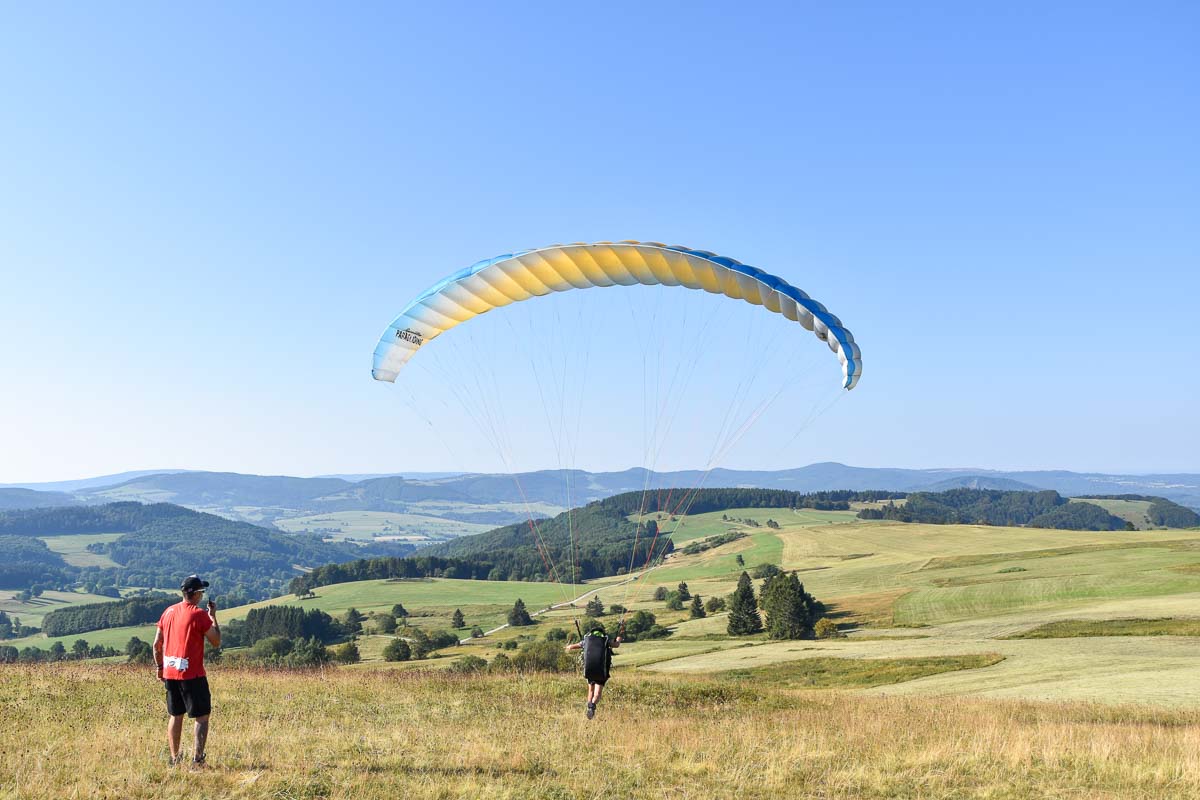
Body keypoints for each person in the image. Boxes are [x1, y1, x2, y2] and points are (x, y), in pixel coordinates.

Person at [153, 575, 221, 766]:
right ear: (196, 594)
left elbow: (157, 644)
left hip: (170, 672)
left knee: (176, 715)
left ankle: (175, 758)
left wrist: (160, 668)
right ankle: (197, 761)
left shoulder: (168, 612)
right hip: (192, 674)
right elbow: (216, 641)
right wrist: (212, 616)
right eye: (201, 591)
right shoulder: (199, 614)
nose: (202, 595)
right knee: (202, 717)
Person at [564, 625, 621, 719]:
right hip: (601, 672)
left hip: (589, 670)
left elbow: (572, 647)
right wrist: (618, 638)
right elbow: (616, 645)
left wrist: (567, 646)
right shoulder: (605, 640)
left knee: (591, 690)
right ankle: (592, 707)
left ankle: (589, 706)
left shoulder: (586, 641)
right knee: (597, 693)